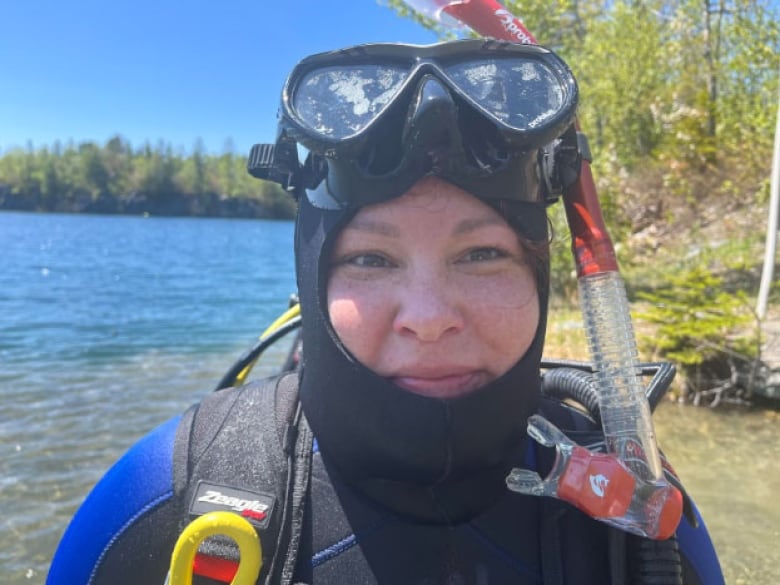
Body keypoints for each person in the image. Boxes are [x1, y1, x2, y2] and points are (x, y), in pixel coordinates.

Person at [47, 39, 724, 585]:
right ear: (311, 278)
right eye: (371, 259)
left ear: (542, 272)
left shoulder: (639, 530)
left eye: (483, 254)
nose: (428, 318)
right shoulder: (155, 502)